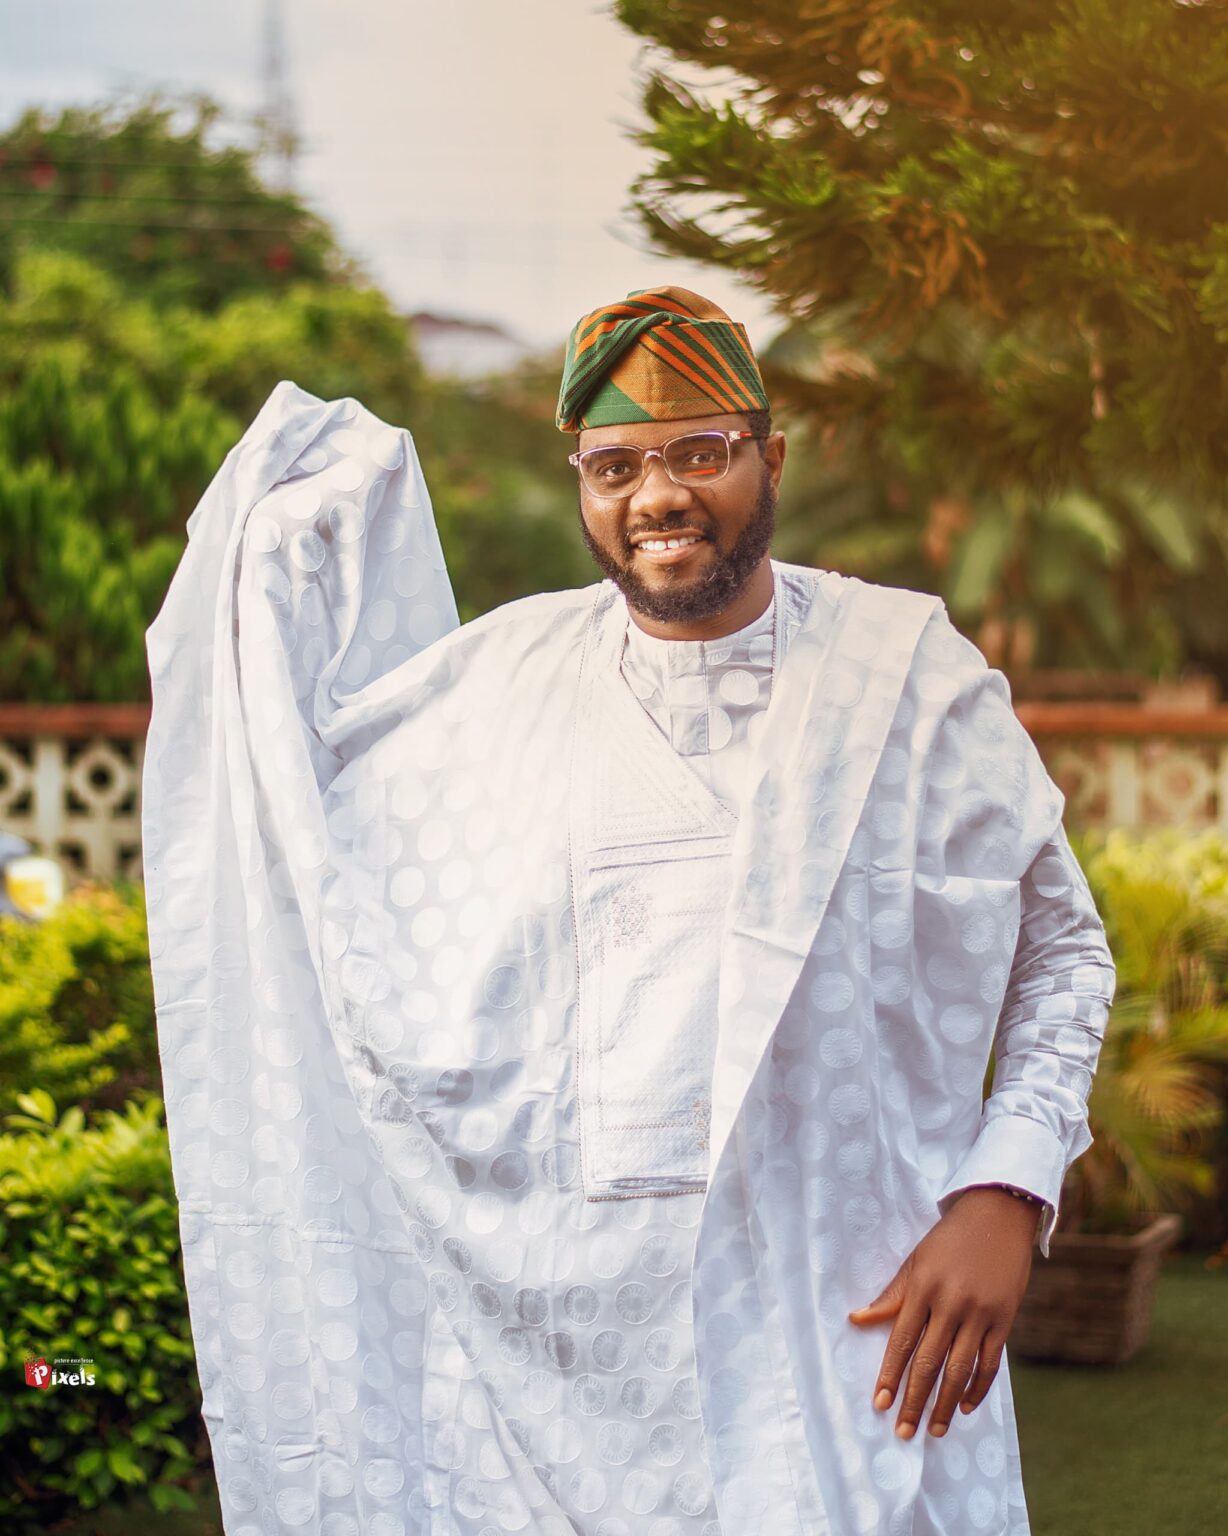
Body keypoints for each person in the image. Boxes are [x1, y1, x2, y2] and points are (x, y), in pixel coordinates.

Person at [142, 285, 1115, 1536]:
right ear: (582, 483)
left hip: (850, 1326)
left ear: (770, 458)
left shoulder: (907, 678)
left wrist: (1007, 1191)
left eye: (698, 453)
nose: (656, 496)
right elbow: (307, 832)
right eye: (615, 467)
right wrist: (278, 556)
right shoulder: (497, 683)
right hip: (570, 1371)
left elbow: (1060, 950)